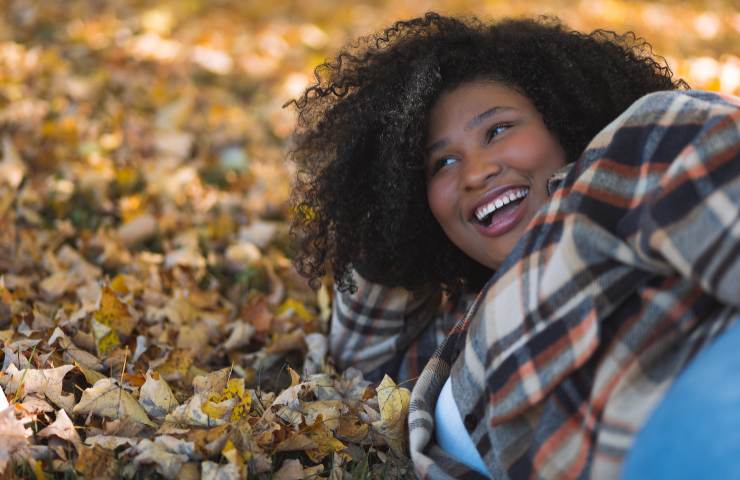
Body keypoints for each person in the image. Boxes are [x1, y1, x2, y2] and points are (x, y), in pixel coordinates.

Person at [287, 12, 740, 479]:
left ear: (562, 121)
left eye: (498, 130)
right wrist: (387, 209)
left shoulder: (636, 147)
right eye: (442, 162)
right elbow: (361, 364)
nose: (476, 171)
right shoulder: (452, 328)